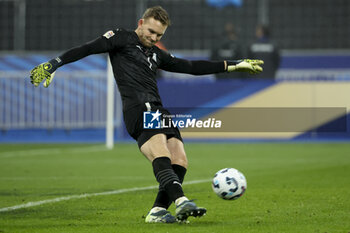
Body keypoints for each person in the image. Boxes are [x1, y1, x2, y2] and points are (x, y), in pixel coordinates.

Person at [30, 6, 263, 223]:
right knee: (160, 151)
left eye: (159, 35)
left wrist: (234, 64)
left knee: (180, 160)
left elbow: (191, 67)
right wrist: (54, 64)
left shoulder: (156, 54)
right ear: (141, 23)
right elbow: (88, 48)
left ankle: (158, 210)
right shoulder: (121, 38)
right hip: (138, 109)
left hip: (158, 109)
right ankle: (181, 201)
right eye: (151, 31)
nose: (153, 38)